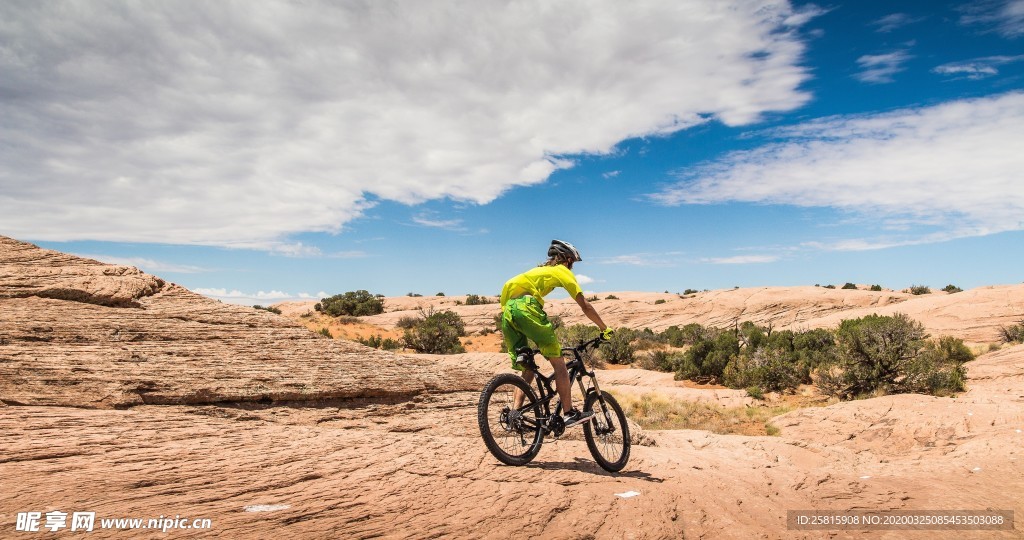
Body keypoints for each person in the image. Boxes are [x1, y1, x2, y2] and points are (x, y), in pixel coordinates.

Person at [499, 239, 613, 428]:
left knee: (528, 366)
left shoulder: (538, 271)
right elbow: (585, 305)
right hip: (526, 308)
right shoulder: (561, 271)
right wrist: (604, 328)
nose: (573, 267)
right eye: (573, 263)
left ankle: (515, 415)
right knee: (559, 364)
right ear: (567, 260)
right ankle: (569, 413)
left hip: (508, 313)